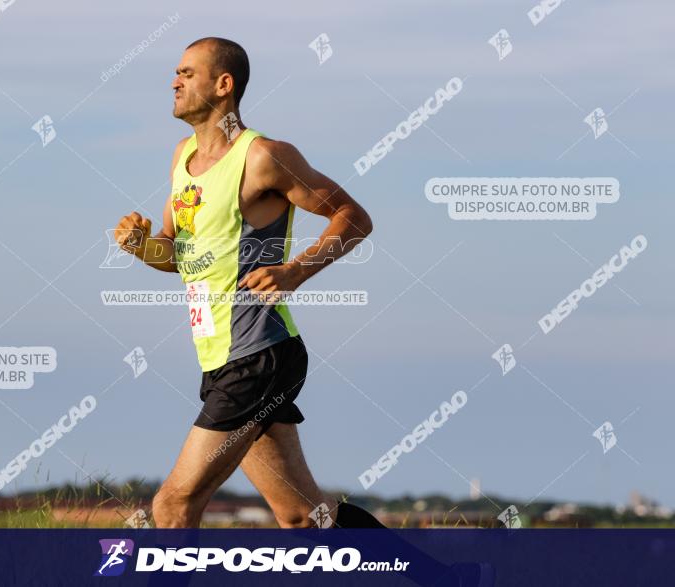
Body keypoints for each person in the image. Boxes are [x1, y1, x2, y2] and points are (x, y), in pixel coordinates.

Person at [114, 37, 493, 586]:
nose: (174, 81)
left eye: (186, 72)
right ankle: (450, 578)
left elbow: (352, 217)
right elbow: (176, 258)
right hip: (222, 357)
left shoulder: (263, 157)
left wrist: (296, 270)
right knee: (303, 518)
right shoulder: (182, 159)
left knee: (172, 506)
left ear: (224, 85)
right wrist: (140, 246)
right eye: (174, 72)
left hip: (260, 355)